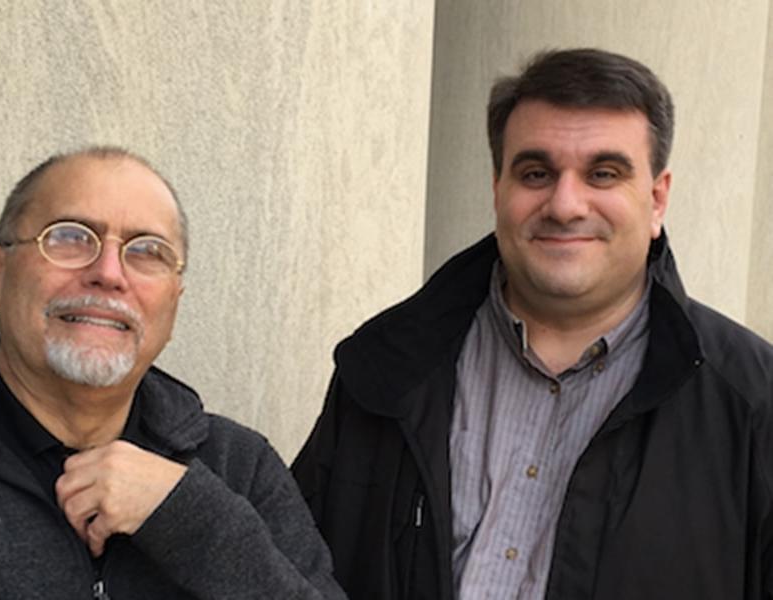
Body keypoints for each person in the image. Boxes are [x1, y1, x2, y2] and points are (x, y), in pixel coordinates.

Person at [292, 48, 773, 600]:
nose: (565, 205)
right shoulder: (384, 367)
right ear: (499, 189)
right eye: (537, 172)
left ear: (657, 199)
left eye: (604, 173)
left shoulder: (752, 403)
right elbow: (298, 569)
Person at [0, 147, 346, 600]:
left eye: (147, 251)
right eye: (70, 236)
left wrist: (185, 515)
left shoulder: (239, 467)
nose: (109, 272)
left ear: (174, 304)